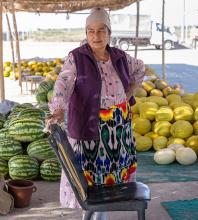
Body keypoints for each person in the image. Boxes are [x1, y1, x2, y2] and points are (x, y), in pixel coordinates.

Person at [47, 7, 145, 220]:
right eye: (91, 30)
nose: (96, 35)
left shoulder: (120, 57)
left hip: (118, 130)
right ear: (86, 33)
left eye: (101, 30)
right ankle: (92, 217)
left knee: (111, 181)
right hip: (90, 129)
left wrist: (128, 93)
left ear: (109, 33)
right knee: (91, 181)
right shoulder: (76, 58)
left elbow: (140, 69)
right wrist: (58, 109)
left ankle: (100, 216)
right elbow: (63, 83)